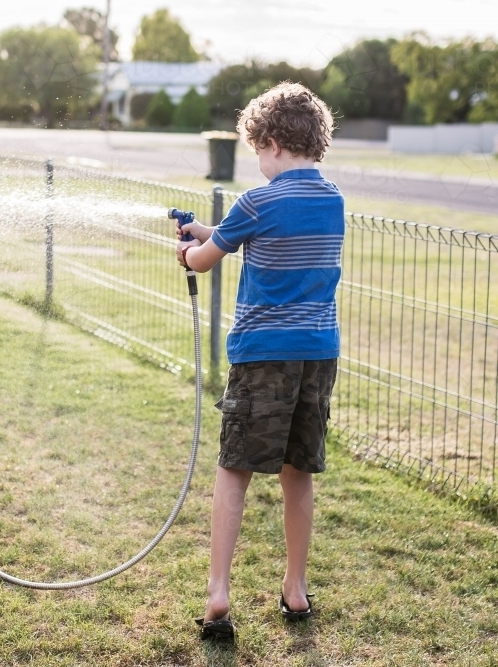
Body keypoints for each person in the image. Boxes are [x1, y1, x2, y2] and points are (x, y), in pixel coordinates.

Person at [174, 82, 344, 641]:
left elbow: (202, 261)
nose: (259, 164)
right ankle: (294, 589)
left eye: (257, 152)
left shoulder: (256, 201)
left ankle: (218, 594)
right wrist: (214, 232)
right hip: (316, 357)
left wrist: (189, 247)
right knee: (299, 473)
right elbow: (255, 241)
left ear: (271, 142)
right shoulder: (331, 199)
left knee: (235, 469)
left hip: (261, 357)